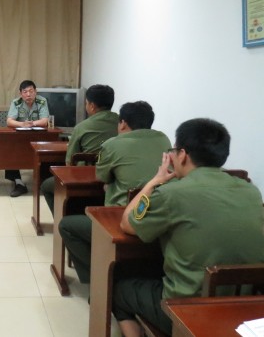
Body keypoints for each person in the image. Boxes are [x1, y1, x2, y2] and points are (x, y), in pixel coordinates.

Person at [113, 118, 264, 337]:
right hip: (243, 307)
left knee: (119, 291)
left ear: (182, 155)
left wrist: (155, 181)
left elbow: (127, 223)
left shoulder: (172, 194)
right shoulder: (251, 191)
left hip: (187, 309)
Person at [58, 101, 171, 284]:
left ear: (123, 123)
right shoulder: (164, 139)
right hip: (159, 214)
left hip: (124, 216)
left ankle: (98, 280)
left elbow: (102, 177)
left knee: (67, 225)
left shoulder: (113, 144)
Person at [40, 84, 118, 214]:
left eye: (86, 103)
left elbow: (69, 162)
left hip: (87, 178)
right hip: (114, 178)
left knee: (46, 185)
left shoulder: (82, 127)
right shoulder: (122, 123)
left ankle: (63, 218)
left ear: (92, 106)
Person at [5, 80, 50, 197]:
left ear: (35, 92)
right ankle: (19, 183)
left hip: (38, 136)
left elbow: (45, 120)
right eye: (25, 92)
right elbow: (9, 121)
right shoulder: (16, 102)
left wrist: (32, 123)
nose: (28, 94)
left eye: (31, 91)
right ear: (20, 93)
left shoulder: (42, 101)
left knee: (47, 151)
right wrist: (22, 124)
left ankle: (43, 181)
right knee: (9, 150)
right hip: (20, 136)